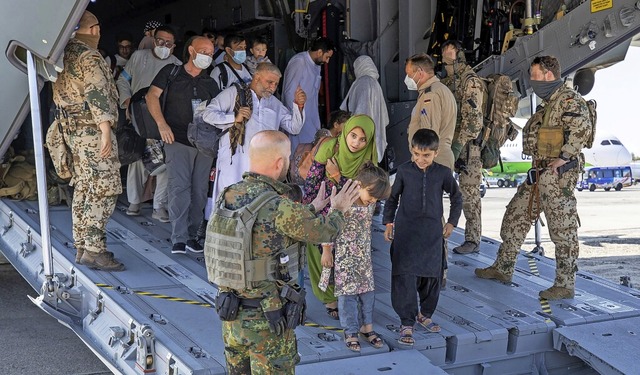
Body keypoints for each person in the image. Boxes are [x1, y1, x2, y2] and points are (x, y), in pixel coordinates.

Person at [210, 130, 360, 374]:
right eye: (288, 157)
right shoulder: (278, 205)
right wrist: (339, 209)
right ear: (280, 162)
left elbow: (268, 232)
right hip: (268, 323)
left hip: (232, 317)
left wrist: (311, 208)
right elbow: (326, 232)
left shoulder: (227, 195)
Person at [475, 56, 591, 300]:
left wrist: (564, 158)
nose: (531, 80)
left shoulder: (568, 99)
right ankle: (503, 268)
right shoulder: (547, 104)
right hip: (538, 173)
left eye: (534, 74)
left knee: (563, 230)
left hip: (557, 176)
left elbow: (582, 128)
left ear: (548, 74)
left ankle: (565, 284)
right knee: (515, 216)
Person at [52, 11, 124, 271]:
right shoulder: (89, 55)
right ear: (94, 30)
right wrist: (105, 129)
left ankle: (82, 245)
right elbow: (97, 92)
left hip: (72, 133)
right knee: (104, 189)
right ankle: (95, 251)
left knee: (83, 187)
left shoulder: (63, 54)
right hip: (92, 133)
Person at [382, 129, 462, 345]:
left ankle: (424, 315)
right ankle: (406, 322)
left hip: (432, 236)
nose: (420, 159)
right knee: (404, 277)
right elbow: (392, 199)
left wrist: (451, 222)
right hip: (406, 235)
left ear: (435, 153)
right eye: (416, 154)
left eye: (426, 155)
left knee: (432, 277)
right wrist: (388, 223)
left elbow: (457, 198)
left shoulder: (443, 173)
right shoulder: (405, 172)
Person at [202, 62, 306, 225]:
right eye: (269, 82)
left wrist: (299, 107)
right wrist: (234, 118)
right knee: (229, 203)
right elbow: (208, 114)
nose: (272, 87)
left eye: (276, 84)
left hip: (261, 166)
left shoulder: (274, 103)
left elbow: (294, 127)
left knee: (256, 206)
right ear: (256, 77)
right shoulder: (233, 93)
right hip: (234, 161)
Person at [146, 36, 218, 254]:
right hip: (176, 139)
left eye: (211, 53)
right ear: (191, 51)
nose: (207, 55)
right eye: (203, 51)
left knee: (199, 191)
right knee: (180, 188)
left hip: (203, 144)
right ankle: (179, 237)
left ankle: (193, 235)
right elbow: (151, 97)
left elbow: (218, 111)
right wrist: (161, 125)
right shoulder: (171, 73)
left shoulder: (210, 83)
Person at [302, 114, 377, 319]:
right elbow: (312, 182)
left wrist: (336, 176)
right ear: (345, 132)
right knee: (321, 256)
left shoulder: (369, 159)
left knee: (344, 257)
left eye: (363, 139)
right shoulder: (329, 148)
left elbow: (362, 193)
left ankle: (345, 297)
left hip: (351, 216)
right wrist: (310, 211)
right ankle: (329, 299)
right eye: (353, 136)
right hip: (324, 208)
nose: (356, 143)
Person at [116, 25, 182, 222]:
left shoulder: (177, 65)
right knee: (137, 159)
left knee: (165, 163)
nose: (164, 45)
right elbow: (122, 81)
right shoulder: (138, 57)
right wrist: (126, 102)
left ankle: (159, 206)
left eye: (168, 43)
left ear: (174, 46)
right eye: (161, 41)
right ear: (154, 40)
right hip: (138, 117)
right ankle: (134, 202)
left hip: (163, 121)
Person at [326, 161, 390, 352]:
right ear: (359, 186)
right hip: (345, 258)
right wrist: (327, 251)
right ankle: (350, 331)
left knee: (368, 292)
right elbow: (328, 226)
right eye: (372, 196)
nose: (373, 201)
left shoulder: (370, 204)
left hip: (363, 257)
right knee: (348, 296)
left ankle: (367, 326)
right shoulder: (342, 201)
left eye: (377, 199)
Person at [440, 41, 485, 254]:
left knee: (469, 194)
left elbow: (474, 123)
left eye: (449, 55)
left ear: (459, 55)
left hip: (469, 147)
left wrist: (458, 145)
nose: (445, 59)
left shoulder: (470, 81)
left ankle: (473, 239)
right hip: (452, 143)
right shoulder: (450, 81)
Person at [283, 37, 336, 153]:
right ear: (320, 52)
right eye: (327, 57)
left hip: (311, 118)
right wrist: (295, 118)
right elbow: (289, 92)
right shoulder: (299, 62)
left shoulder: (316, 65)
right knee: (298, 154)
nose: (327, 61)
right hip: (298, 118)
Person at [405, 53, 456, 170]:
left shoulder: (431, 95)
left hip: (431, 162)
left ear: (420, 72)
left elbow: (429, 135)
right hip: (435, 160)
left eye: (409, 74)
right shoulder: (438, 89)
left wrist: (421, 162)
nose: (407, 79)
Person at [340, 55, 389, 163]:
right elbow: (385, 119)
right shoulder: (374, 84)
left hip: (362, 142)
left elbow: (361, 113)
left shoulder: (363, 82)